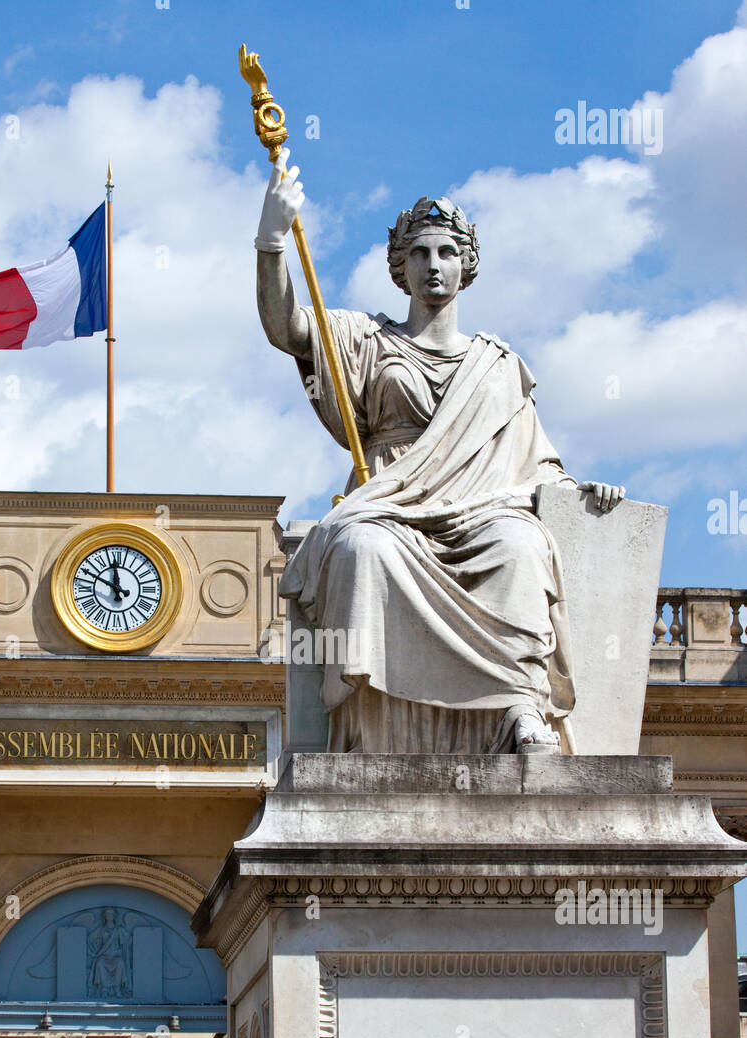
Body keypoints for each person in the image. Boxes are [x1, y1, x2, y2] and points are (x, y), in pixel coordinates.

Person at [255, 150, 625, 754]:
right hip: (391, 507)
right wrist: (271, 243)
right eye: (420, 253)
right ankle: (371, 730)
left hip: (484, 509)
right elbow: (287, 327)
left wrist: (580, 490)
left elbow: (539, 464)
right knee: (358, 546)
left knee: (523, 546)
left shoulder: (498, 366)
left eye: (447, 252)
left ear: (467, 265)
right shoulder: (365, 339)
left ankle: (518, 711)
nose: (434, 265)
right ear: (400, 267)